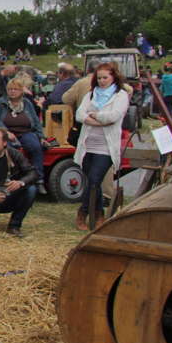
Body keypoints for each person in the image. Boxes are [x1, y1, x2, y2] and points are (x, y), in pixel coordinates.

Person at [74, 62, 129, 230]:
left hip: (106, 147)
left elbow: (113, 116)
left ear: (114, 77)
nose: (102, 81)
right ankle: (98, 213)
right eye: (99, 78)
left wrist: (93, 115)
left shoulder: (120, 96)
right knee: (93, 183)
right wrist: (96, 120)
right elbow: (79, 115)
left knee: (94, 179)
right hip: (87, 144)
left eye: (105, 77)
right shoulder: (91, 94)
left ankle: (83, 212)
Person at [0, 78, 45, 184]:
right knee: (8, 150)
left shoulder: (27, 103)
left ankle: (38, 178)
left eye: (15, 89)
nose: (12, 91)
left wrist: (41, 136)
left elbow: (35, 120)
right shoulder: (0, 102)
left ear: (21, 91)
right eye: (10, 89)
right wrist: (6, 132)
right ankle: (9, 178)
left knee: (36, 147)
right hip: (6, 134)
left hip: (26, 132)